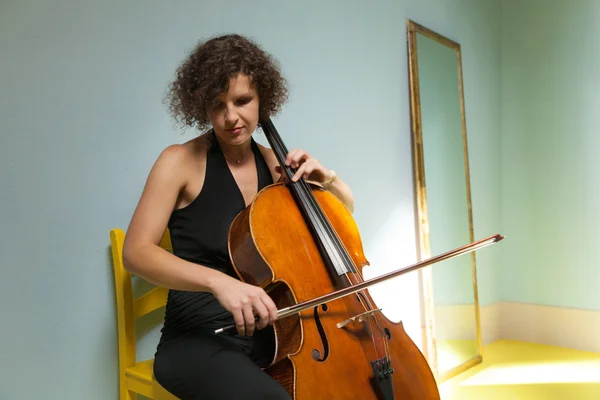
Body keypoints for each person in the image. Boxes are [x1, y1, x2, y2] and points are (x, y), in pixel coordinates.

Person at [122, 33, 354, 400]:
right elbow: (135, 252)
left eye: (243, 101)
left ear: (263, 97)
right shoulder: (179, 162)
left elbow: (338, 226)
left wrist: (330, 181)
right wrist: (219, 282)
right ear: (201, 106)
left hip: (271, 332)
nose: (231, 117)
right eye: (217, 105)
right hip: (199, 338)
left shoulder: (275, 164)